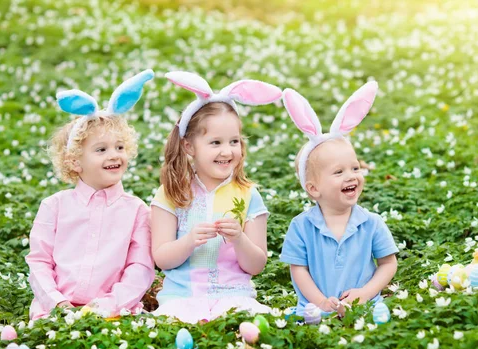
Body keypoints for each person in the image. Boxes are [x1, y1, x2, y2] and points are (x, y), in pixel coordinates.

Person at [151, 71, 282, 323]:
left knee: (248, 321)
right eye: (215, 143)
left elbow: (256, 266)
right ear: (189, 146)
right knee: (176, 323)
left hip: (235, 295)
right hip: (182, 297)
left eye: (234, 141)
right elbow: (162, 259)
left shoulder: (248, 194)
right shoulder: (172, 191)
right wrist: (189, 241)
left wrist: (239, 239)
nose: (227, 151)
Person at [26, 70, 156, 320]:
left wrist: (108, 306)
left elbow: (139, 268)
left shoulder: (137, 210)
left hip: (115, 312)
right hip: (53, 311)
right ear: (75, 161)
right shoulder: (54, 206)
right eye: (101, 149)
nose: (114, 155)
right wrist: (57, 303)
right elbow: (39, 261)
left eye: (120, 147)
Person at [279, 82, 398, 316]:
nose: (351, 176)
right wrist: (322, 302)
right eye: (338, 172)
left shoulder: (371, 222)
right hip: (315, 309)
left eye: (355, 168)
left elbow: (388, 263)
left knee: (381, 319)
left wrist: (364, 294)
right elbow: (298, 270)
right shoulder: (302, 226)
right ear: (313, 189)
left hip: (365, 307)